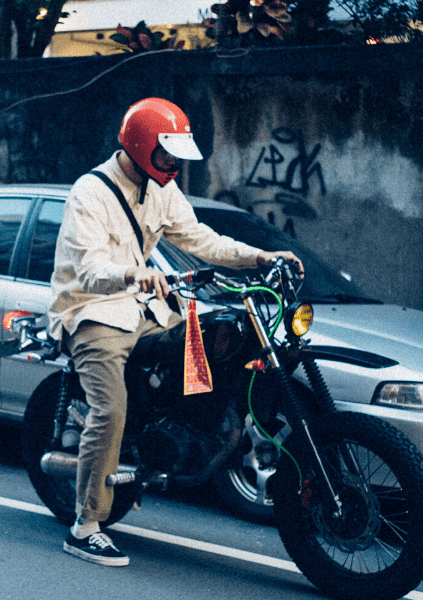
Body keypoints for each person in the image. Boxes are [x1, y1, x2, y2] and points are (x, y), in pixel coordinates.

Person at [48, 97, 301, 566]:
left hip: (142, 308)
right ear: (143, 147)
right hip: (92, 310)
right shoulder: (91, 192)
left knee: (212, 340)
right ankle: (84, 526)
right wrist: (131, 274)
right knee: (109, 409)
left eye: (178, 158)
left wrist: (262, 258)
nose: (175, 167)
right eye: (167, 156)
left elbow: (202, 240)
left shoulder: (161, 189)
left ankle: (181, 434)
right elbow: (88, 267)